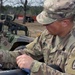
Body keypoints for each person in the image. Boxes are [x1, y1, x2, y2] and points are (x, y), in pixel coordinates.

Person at [0, 0, 75, 75]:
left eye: (48, 22)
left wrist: (34, 67)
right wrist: (2, 56)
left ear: (65, 23)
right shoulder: (48, 35)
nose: (43, 25)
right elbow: (27, 54)